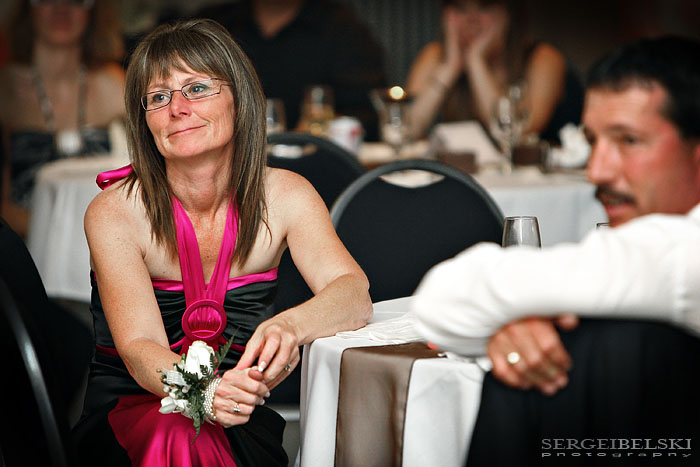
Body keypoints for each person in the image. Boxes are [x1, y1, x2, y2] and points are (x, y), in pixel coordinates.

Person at [71, 19, 371, 466]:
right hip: (130, 411)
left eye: (196, 88)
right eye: (158, 97)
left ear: (239, 99)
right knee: (178, 435)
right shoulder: (115, 212)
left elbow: (354, 293)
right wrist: (205, 393)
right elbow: (138, 347)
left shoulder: (286, 194)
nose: (177, 108)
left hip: (239, 414)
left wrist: (290, 327)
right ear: (145, 121)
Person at [412, 35, 700, 465]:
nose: (597, 171)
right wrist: (522, 322)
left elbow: (442, 298)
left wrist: (526, 313)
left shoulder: (682, 254)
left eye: (628, 141)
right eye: (593, 141)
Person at [0, 0, 126, 238]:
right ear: (27, 7)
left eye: (76, 0)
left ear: (93, 9)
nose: (62, 9)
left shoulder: (113, 84)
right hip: (23, 246)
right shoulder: (6, 89)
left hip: (102, 241)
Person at [193, 0, 387, 141]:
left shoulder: (344, 29)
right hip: (225, 162)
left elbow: (371, 113)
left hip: (317, 164)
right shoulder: (212, 24)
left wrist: (327, 126)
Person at [405, 0, 583, 143]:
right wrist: (450, 68)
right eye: (460, 8)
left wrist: (476, 60)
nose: (471, 19)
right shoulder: (437, 55)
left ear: (509, 11)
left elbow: (517, 134)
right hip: (466, 175)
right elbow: (405, 131)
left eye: (485, 6)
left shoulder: (543, 57)